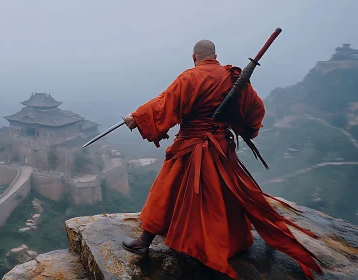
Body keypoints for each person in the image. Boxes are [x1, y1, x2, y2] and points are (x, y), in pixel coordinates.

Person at [121, 40, 323, 279]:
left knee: (166, 189)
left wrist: (136, 118)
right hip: (221, 147)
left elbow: (166, 103)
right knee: (224, 195)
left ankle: (144, 242)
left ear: (193, 56)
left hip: (191, 146)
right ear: (215, 56)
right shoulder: (232, 78)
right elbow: (255, 110)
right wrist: (241, 126)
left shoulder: (190, 77)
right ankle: (229, 243)